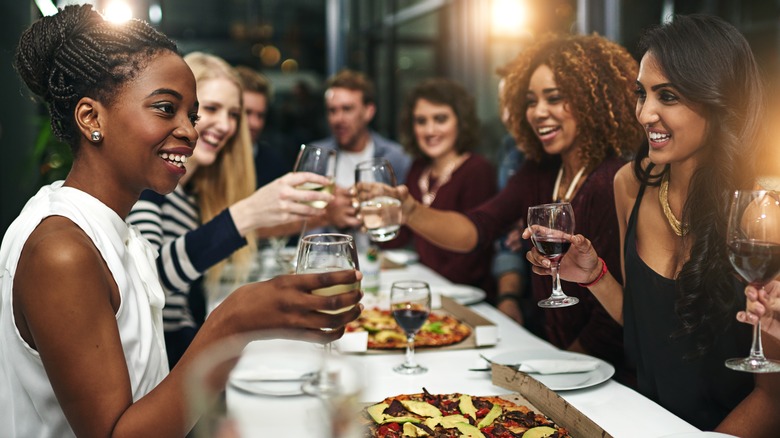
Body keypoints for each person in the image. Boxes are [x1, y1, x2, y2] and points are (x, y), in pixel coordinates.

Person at [0, 6, 362, 436]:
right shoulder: (62, 251)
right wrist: (233, 321)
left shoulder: (117, 229)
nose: (191, 131)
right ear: (91, 118)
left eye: (191, 115)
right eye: (166, 108)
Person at [524, 15, 780, 433]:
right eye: (642, 94)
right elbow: (649, 330)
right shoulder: (630, 185)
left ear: (718, 101)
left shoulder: (762, 218)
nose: (645, 114)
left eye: (669, 96)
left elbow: (772, 399)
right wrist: (593, 277)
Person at [389, 33, 642, 382]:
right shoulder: (539, 171)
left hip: (603, 377)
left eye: (554, 98)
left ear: (592, 101)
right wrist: (410, 211)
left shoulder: (611, 180)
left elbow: (616, 315)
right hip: (552, 357)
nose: (538, 112)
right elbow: (478, 228)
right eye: (531, 100)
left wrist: (555, 373)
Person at [127, 52, 334, 367]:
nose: (225, 125)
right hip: (157, 370)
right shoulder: (148, 186)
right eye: (211, 109)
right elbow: (149, 280)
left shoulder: (189, 192)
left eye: (233, 114)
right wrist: (246, 213)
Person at [383, 78, 498, 298]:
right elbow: (400, 237)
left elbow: (474, 259)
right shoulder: (418, 169)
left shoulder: (477, 170)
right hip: (428, 290)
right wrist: (379, 216)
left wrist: (423, 289)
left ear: (461, 122)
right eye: (421, 121)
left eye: (440, 119)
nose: (430, 130)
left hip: (466, 297)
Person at [310, 69, 412, 230]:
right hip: (327, 251)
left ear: (368, 112)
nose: (338, 119)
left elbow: (409, 219)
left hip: (381, 252)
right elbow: (296, 216)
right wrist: (326, 212)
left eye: (347, 109)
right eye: (332, 111)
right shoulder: (316, 156)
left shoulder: (396, 157)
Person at [234, 65, 288, 188]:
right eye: (247, 113)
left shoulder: (274, 165)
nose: (255, 123)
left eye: (261, 115)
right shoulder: (210, 158)